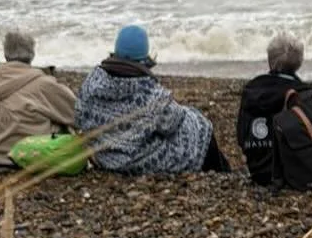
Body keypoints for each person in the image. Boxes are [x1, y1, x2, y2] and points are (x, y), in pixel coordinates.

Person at [75, 24, 229, 175]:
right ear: (144, 56)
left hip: (105, 157)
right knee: (201, 128)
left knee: (190, 120)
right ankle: (223, 172)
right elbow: (171, 123)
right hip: (135, 161)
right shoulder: (148, 91)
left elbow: (79, 116)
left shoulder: (93, 81)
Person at [0, 29, 79, 169]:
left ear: (5, 54)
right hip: (28, 157)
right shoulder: (43, 84)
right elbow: (77, 114)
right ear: (32, 54)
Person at [236, 31, 306, 185]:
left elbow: (241, 135)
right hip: (289, 172)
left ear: (270, 60)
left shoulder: (252, 89)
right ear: (299, 62)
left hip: (257, 169)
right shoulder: (301, 92)